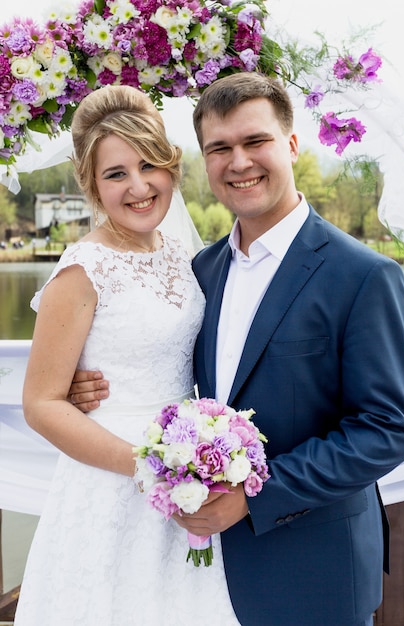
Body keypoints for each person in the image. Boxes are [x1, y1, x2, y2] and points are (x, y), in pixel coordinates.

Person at [69, 73, 404, 626]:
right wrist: (83, 382)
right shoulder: (200, 271)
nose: (239, 162)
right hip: (200, 568)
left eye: (255, 142)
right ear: (203, 162)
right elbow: (164, 360)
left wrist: (257, 494)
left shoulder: (363, 275)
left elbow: (389, 429)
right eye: (219, 148)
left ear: (292, 145)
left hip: (316, 569)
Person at [15, 85, 240, 626]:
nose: (139, 187)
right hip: (110, 483)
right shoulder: (81, 269)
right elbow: (41, 404)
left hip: (188, 476)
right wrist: (148, 468)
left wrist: (192, 464)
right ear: (91, 184)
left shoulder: (182, 255)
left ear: (172, 169)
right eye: (116, 174)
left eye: (149, 166)